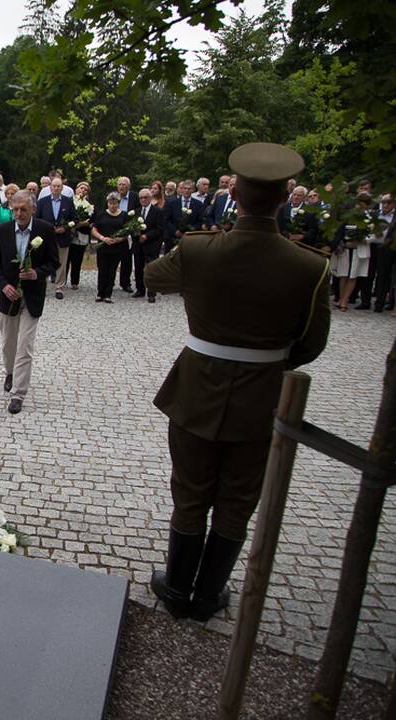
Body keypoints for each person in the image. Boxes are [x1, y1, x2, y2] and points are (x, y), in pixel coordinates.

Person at [145, 142, 330, 622]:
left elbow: (152, 277)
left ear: (236, 196)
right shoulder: (309, 266)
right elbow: (311, 344)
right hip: (262, 397)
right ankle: (209, 594)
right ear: (285, 200)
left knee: (190, 491)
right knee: (238, 499)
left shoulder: (201, 250)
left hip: (197, 390)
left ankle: (177, 587)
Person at [0, 190, 58, 415]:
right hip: (8, 297)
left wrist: (37, 273)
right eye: (15, 209)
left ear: (32, 209)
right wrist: (3, 285)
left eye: (23, 209)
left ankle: (18, 393)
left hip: (32, 297)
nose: (18, 213)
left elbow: (54, 261)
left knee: (25, 346)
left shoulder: (45, 230)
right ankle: (10, 372)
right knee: (9, 343)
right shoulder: (2, 231)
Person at [36, 177, 78, 300]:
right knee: (44, 261)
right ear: (50, 188)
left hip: (63, 237)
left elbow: (75, 219)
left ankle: (59, 287)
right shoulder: (42, 202)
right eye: (54, 186)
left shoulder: (68, 201)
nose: (56, 188)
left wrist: (65, 228)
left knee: (61, 262)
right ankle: (41, 285)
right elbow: (37, 219)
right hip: (46, 237)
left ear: (62, 188)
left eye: (58, 186)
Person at [331, 192, 373, 311]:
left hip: (358, 249)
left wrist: (361, 240)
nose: (360, 206)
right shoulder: (349, 216)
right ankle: (340, 299)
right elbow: (340, 231)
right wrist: (339, 243)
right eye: (359, 203)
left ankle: (344, 301)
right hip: (345, 249)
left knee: (353, 276)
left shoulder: (369, 218)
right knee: (343, 274)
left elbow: (374, 235)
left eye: (363, 204)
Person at [132, 188, 165, 302]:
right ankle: (140, 290)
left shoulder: (158, 211)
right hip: (138, 244)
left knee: (151, 269)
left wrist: (147, 236)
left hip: (152, 244)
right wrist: (136, 234)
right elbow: (131, 227)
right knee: (138, 267)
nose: (143, 200)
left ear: (150, 198)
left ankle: (151, 292)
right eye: (141, 198)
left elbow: (160, 228)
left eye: (145, 197)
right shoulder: (135, 212)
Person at [68, 181, 94, 290]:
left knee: (77, 260)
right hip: (69, 233)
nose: (82, 190)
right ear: (76, 189)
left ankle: (75, 282)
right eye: (81, 188)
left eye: (85, 189)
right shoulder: (69, 201)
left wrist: (81, 224)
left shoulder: (90, 205)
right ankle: (61, 280)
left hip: (82, 234)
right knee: (66, 259)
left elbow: (91, 220)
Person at [371, 194, 395, 312]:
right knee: (369, 274)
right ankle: (365, 300)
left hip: (387, 248)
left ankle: (379, 302)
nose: (386, 205)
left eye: (389, 202)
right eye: (384, 202)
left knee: (383, 275)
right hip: (372, 245)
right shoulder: (375, 214)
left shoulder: (394, 216)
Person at [116, 177, 140, 293]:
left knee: (127, 260)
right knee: (113, 259)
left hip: (130, 231)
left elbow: (138, 211)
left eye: (124, 185)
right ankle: (109, 282)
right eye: (119, 184)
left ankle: (125, 283)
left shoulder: (135, 197)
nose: (121, 187)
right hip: (115, 230)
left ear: (128, 186)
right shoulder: (113, 196)